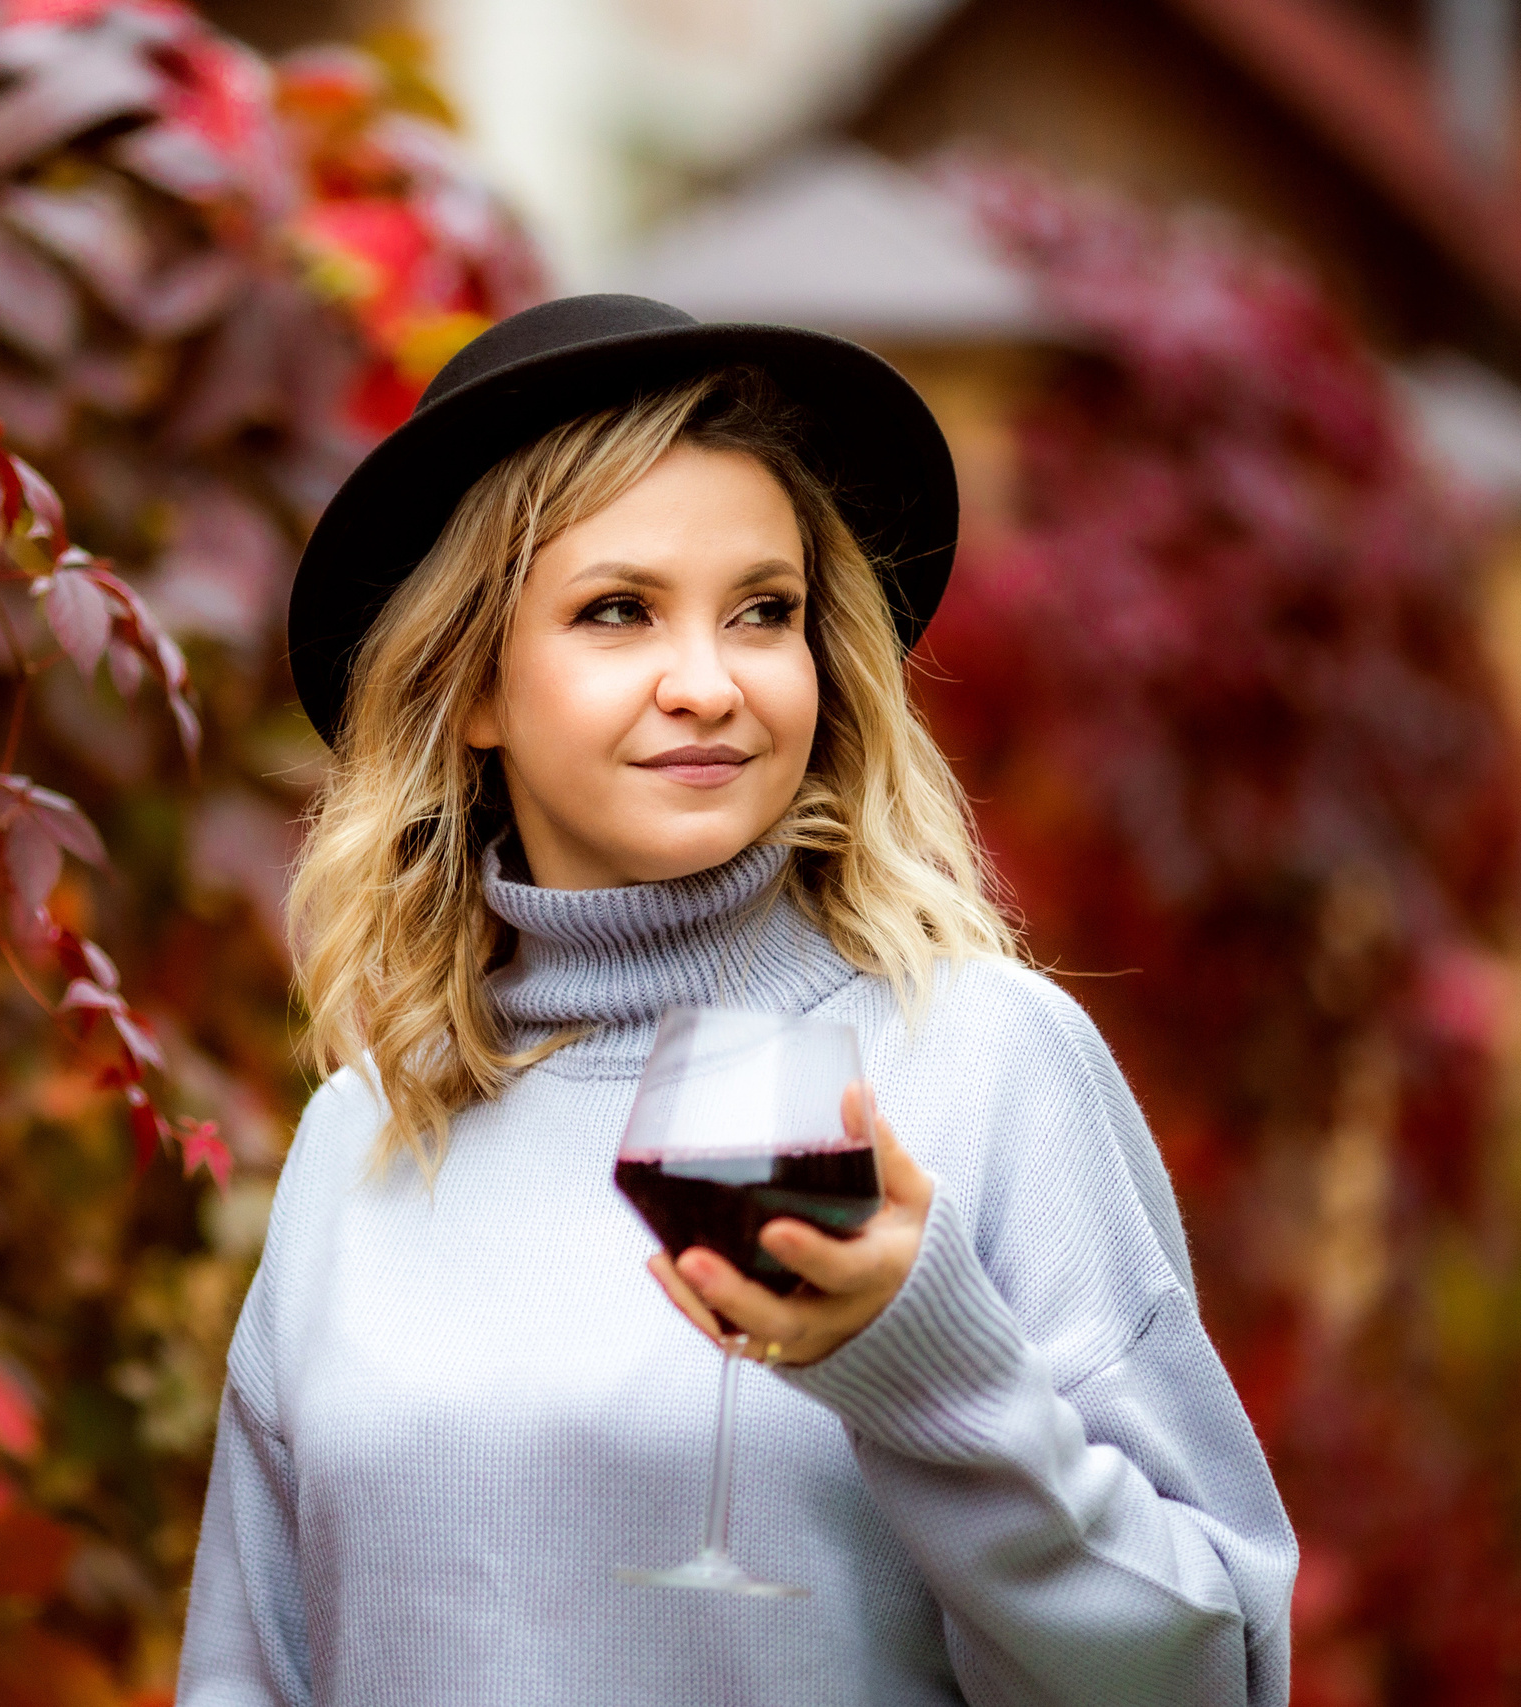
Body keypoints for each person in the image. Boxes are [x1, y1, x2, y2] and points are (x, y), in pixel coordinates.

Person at [176, 297, 1296, 1705]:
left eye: (763, 613)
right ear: (472, 688)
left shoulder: (986, 1063)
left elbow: (1198, 1675)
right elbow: (249, 1674)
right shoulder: (366, 1132)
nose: (708, 684)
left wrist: (923, 1362)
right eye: (617, 612)